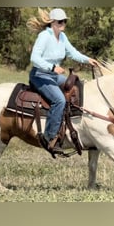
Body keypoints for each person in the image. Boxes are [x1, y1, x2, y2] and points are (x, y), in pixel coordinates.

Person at [26, 8, 99, 154]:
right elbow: (34, 58)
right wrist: (52, 67)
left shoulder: (63, 37)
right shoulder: (44, 36)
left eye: (64, 21)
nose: (63, 24)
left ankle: (70, 125)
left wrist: (87, 59)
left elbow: (73, 52)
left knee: (74, 88)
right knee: (59, 100)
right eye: (60, 21)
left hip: (52, 76)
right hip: (40, 75)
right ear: (52, 23)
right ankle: (50, 137)